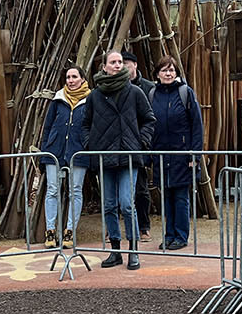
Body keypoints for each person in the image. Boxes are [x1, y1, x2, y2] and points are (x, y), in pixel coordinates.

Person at [81, 50, 155, 270]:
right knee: (109, 205)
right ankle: (115, 250)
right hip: (104, 158)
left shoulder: (134, 92)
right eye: (113, 62)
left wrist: (141, 142)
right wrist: (89, 144)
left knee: (127, 203)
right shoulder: (94, 96)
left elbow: (149, 119)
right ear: (104, 67)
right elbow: (85, 124)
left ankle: (133, 250)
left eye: (120, 62)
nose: (117, 65)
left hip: (128, 157)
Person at [146, 56, 204, 251]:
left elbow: (197, 126)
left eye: (171, 70)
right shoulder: (152, 95)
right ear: (157, 74)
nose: (168, 74)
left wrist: (194, 154)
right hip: (161, 154)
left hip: (182, 154)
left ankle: (180, 235)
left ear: (176, 73)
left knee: (180, 196)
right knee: (166, 196)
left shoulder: (185, 93)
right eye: (164, 70)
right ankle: (168, 235)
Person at [38, 65, 90, 250]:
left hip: (78, 152)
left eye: (74, 76)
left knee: (75, 190)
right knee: (52, 189)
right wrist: (45, 151)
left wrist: (87, 146)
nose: (71, 80)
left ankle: (69, 231)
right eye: (68, 77)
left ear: (82, 79)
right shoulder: (58, 100)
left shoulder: (90, 100)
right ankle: (50, 230)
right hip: (55, 151)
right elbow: (48, 126)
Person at [120, 51, 158, 242]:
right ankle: (117, 230)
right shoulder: (115, 88)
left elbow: (151, 118)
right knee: (117, 192)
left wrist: (144, 141)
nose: (124, 67)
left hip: (140, 146)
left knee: (141, 189)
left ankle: (144, 227)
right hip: (119, 146)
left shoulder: (148, 88)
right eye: (121, 63)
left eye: (127, 63)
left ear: (135, 65)